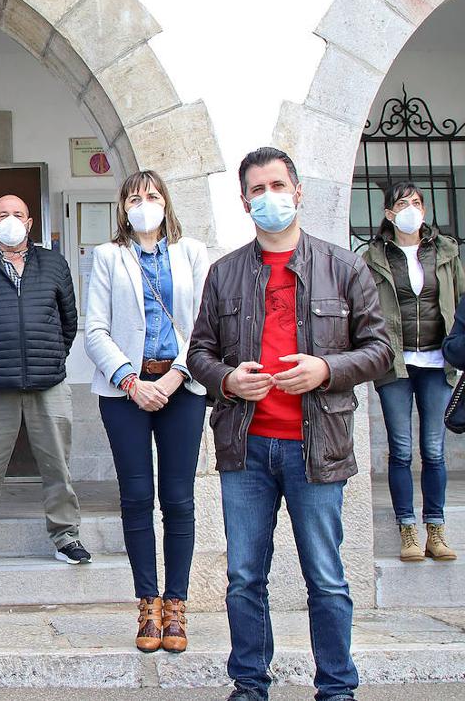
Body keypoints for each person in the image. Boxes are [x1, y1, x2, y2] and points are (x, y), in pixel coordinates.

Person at [188, 147, 392, 701]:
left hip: (315, 448)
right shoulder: (225, 273)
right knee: (244, 579)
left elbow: (380, 350)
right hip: (246, 448)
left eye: (277, 185)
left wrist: (326, 368)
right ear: (244, 201)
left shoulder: (344, 266)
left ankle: (337, 688)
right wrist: (229, 381)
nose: (268, 196)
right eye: (257, 189)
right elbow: (199, 353)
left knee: (326, 578)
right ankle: (250, 685)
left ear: (297, 192)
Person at [83, 171, 209, 653]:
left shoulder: (191, 253)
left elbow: (204, 324)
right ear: (123, 207)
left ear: (165, 203)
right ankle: (147, 604)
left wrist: (175, 377)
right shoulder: (108, 256)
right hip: (125, 394)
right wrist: (132, 382)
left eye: (151, 196)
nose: (143, 204)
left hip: (182, 386)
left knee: (178, 499)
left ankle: (176, 605)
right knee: (136, 497)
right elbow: (95, 330)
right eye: (134, 197)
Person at [0, 194, 89, 568]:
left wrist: (50, 357)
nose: (10, 220)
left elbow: (69, 321)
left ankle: (66, 538)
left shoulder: (54, 264)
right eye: (2, 215)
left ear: (30, 223)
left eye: (18, 214)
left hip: (49, 384)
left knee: (57, 466)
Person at [362, 182, 462, 563]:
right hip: (396, 364)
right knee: (401, 450)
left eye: (417, 203)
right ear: (389, 213)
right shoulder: (374, 256)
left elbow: (461, 301)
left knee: (434, 450)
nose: (411, 209)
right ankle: (407, 530)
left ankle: (435, 529)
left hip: (439, 361)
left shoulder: (446, 251)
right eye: (403, 203)